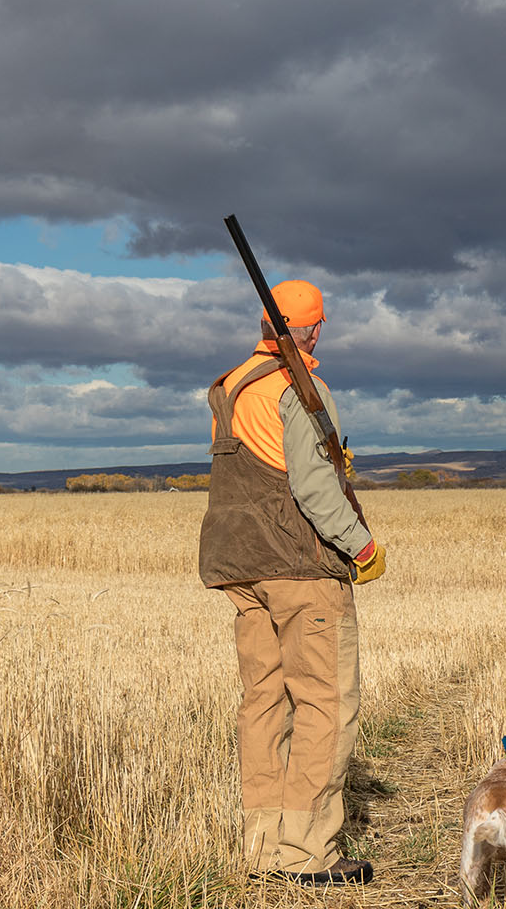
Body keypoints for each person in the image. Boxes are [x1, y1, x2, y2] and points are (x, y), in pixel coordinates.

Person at [198, 278, 386, 886]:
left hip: (242, 570)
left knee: (263, 703)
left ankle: (261, 848)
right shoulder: (299, 391)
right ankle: (307, 855)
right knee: (324, 706)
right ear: (314, 328)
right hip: (301, 570)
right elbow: (311, 486)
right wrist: (362, 546)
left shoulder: (230, 389)